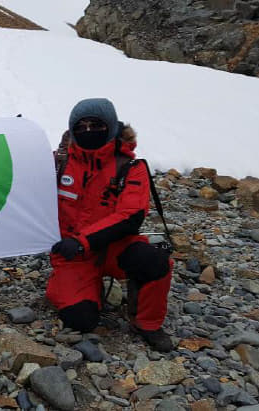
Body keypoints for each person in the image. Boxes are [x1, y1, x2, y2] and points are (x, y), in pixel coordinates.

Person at [46, 98, 174, 352]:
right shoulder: (58, 163)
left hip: (112, 248)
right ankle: (83, 287)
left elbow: (131, 216)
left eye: (96, 124)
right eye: (81, 126)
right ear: (72, 130)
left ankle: (147, 322)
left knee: (154, 261)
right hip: (73, 257)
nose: (89, 131)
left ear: (112, 127)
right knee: (80, 320)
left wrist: (82, 241)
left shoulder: (131, 167)